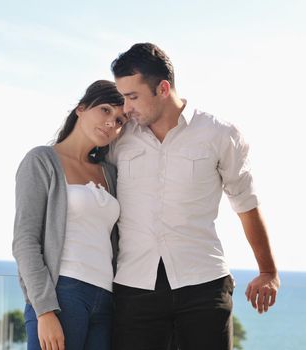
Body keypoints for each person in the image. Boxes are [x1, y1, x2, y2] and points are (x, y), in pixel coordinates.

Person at [108, 43, 280, 350]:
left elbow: (246, 203)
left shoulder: (218, 134)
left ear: (162, 88)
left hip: (203, 285)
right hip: (134, 288)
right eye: (123, 97)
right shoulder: (119, 140)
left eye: (132, 97)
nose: (126, 107)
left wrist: (267, 270)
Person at [12, 80, 129, 350]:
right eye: (105, 110)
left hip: (106, 300)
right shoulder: (41, 160)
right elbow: (25, 240)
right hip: (63, 295)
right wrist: (44, 310)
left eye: (120, 120)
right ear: (81, 108)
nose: (112, 123)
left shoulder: (109, 172)